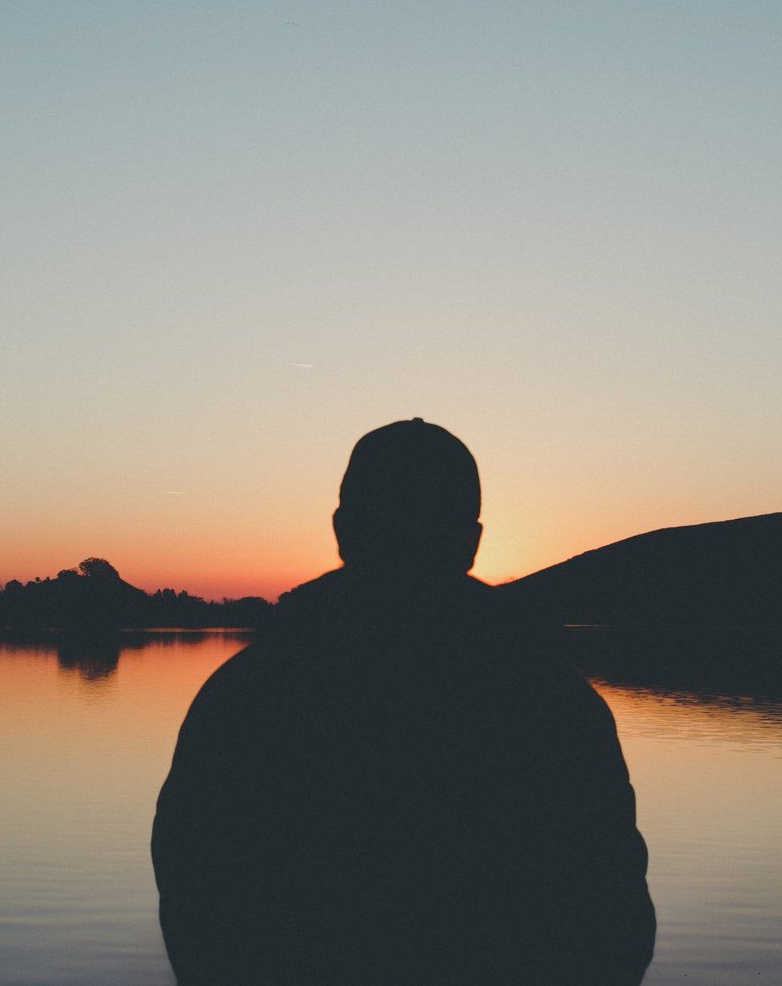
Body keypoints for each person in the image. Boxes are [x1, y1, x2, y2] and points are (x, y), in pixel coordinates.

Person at [151, 419, 655, 985]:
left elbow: (195, 898)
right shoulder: (554, 705)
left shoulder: (247, 697)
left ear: (343, 529)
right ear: (471, 541)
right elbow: (612, 919)